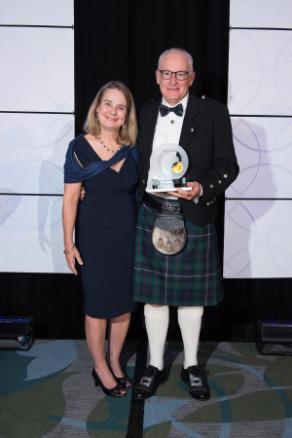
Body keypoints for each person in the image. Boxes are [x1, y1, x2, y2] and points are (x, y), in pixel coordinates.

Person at [133, 48, 239, 400]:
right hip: (151, 210)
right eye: (167, 73)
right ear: (156, 75)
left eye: (181, 74)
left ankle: (192, 364)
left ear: (192, 77)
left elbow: (228, 165)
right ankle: (155, 363)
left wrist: (201, 187)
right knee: (154, 297)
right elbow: (128, 161)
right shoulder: (145, 113)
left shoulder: (212, 112)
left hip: (192, 212)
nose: (173, 81)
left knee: (192, 299)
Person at [62, 81, 139, 398]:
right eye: (108, 104)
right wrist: (69, 243)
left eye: (120, 107)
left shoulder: (133, 150)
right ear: (97, 107)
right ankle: (100, 367)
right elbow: (69, 200)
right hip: (94, 236)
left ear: (126, 115)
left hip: (128, 237)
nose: (113, 111)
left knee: (122, 307)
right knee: (96, 307)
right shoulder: (79, 147)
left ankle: (114, 360)